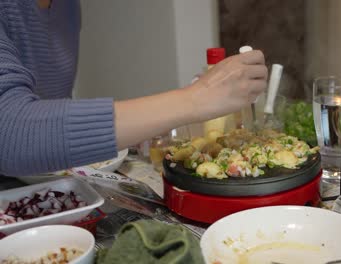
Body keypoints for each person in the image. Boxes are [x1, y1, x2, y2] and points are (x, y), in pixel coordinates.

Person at [0, 0, 267, 176]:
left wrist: (146, 122)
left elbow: (52, 107)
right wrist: (198, 98)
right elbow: (9, 128)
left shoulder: (66, 6)